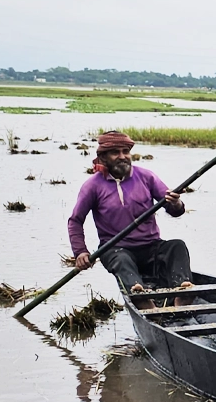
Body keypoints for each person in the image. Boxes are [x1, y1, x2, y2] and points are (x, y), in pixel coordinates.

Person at [68, 131, 193, 306]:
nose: (122, 157)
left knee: (177, 246)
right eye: (115, 152)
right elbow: (75, 221)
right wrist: (81, 251)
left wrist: (176, 203)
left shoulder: (146, 177)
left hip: (151, 246)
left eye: (126, 151)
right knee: (122, 260)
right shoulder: (92, 186)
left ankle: (183, 291)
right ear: (103, 157)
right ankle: (141, 297)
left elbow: (174, 210)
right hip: (115, 249)